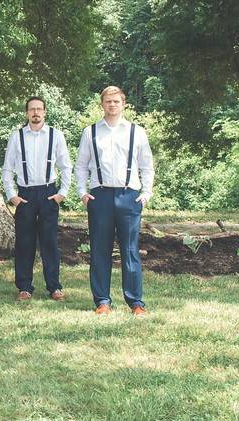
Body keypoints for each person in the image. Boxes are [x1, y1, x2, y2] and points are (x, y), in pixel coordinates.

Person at [75, 86, 154, 316]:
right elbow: (81, 166)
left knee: (130, 250)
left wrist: (146, 193)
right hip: (99, 196)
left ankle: (136, 302)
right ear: (102, 104)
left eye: (116, 102)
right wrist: (82, 192)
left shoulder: (136, 132)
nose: (112, 105)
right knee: (100, 250)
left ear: (123, 104)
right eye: (108, 101)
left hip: (129, 195)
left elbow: (147, 165)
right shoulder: (90, 132)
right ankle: (102, 301)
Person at [1, 96, 72, 301]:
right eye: (32, 109)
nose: (36, 113)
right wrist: (11, 195)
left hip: (49, 193)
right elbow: (7, 169)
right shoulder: (17, 136)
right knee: (24, 242)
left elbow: (66, 166)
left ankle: (54, 287)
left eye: (39, 109)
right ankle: (24, 286)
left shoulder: (55, 135)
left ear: (45, 112)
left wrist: (62, 193)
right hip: (25, 195)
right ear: (26, 113)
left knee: (49, 242)